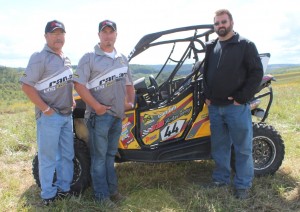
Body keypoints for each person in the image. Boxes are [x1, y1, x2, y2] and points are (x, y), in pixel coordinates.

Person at [73, 19, 135, 207]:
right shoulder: (89, 57)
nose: (108, 35)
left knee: (110, 156)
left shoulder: (121, 58)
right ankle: (101, 197)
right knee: (99, 159)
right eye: (104, 32)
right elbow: (78, 84)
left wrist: (130, 102)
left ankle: (112, 192)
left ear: (116, 34)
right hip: (98, 116)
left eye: (111, 32)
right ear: (99, 35)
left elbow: (129, 84)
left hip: (116, 117)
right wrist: (97, 106)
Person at [202, 9, 263, 199]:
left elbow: (256, 73)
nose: (220, 25)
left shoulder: (245, 45)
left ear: (231, 22)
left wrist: (241, 97)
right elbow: (205, 73)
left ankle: (243, 185)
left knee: (242, 148)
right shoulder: (212, 46)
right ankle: (221, 179)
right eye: (217, 23)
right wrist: (207, 94)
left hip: (235, 108)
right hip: (215, 107)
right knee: (219, 147)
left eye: (223, 22)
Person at [20, 20, 74, 206]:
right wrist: (46, 109)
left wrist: (72, 98)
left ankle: (64, 189)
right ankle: (48, 195)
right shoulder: (39, 57)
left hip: (67, 116)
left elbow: (67, 82)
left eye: (61, 33)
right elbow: (26, 86)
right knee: (48, 157)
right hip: (50, 117)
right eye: (54, 33)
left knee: (67, 155)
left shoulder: (65, 58)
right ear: (46, 36)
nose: (58, 36)